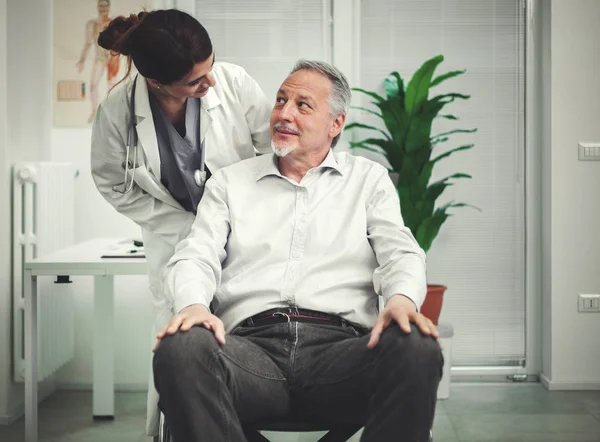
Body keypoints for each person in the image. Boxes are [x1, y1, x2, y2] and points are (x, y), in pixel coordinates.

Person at [153, 60, 443, 442]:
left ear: (335, 124)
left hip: (342, 355)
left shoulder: (367, 180)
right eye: (280, 100)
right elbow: (196, 254)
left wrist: (402, 300)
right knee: (182, 347)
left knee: (417, 347)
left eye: (303, 105)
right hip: (249, 354)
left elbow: (400, 252)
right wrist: (193, 305)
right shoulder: (229, 183)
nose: (283, 114)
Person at [89, 8, 272, 436]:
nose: (210, 85)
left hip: (245, 237)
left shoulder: (234, 84)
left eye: (209, 69)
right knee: (180, 343)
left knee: (244, 335)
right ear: (156, 82)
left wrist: (237, 216)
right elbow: (111, 182)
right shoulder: (117, 112)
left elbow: (273, 153)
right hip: (175, 244)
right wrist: (184, 227)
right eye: (195, 81)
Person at [75, 0, 120, 123]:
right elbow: (88, 43)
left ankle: (111, 112)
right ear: (97, 6)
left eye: (105, 5)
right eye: (100, 5)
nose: (103, 8)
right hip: (99, 58)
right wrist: (82, 60)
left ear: (109, 6)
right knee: (93, 85)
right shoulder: (92, 24)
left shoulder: (113, 23)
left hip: (112, 58)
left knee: (112, 86)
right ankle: (94, 111)